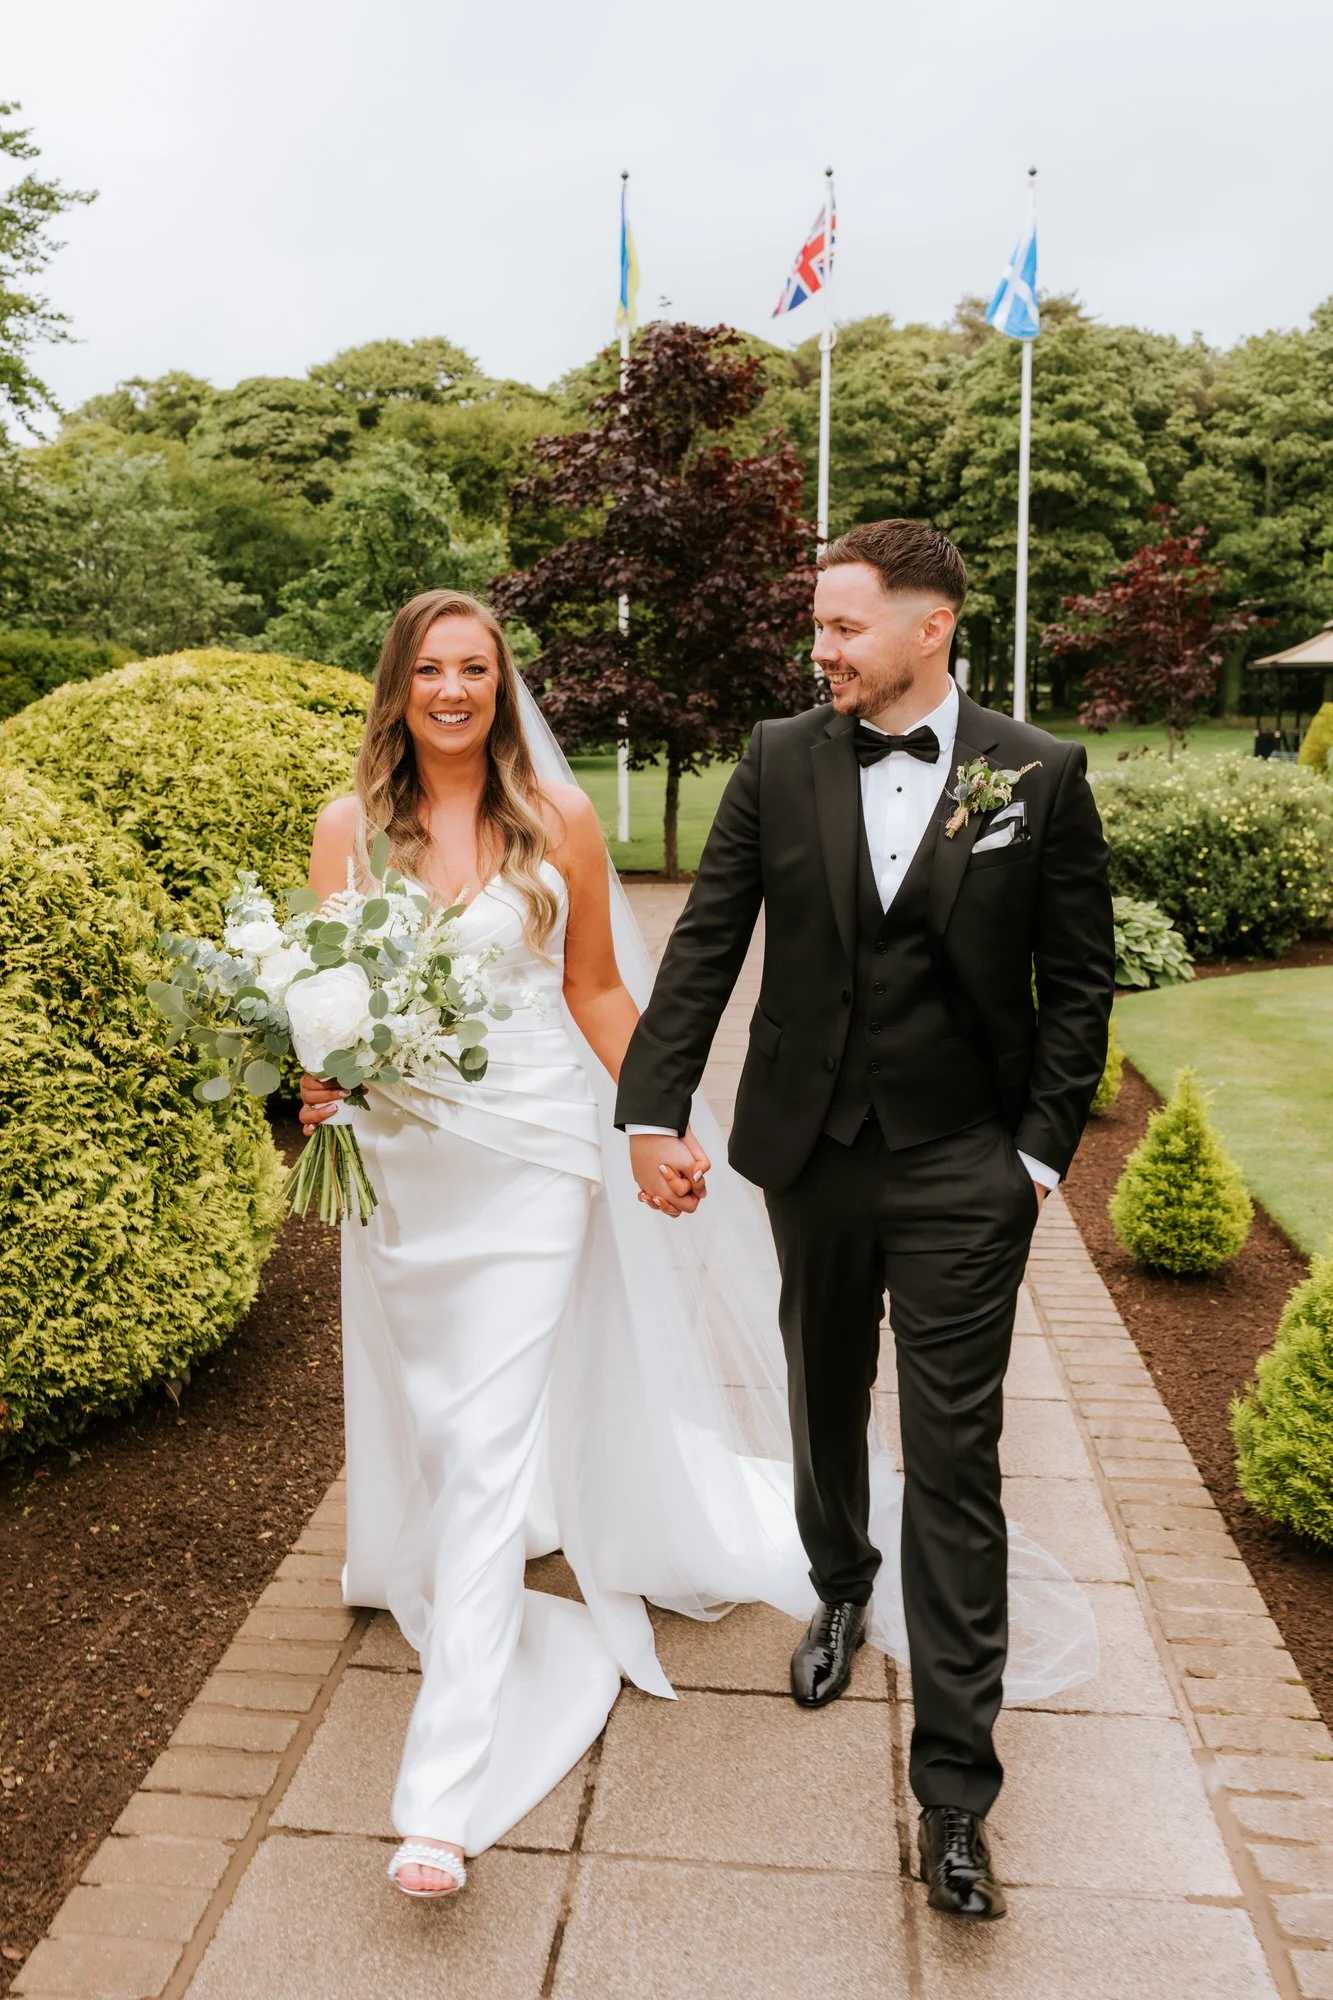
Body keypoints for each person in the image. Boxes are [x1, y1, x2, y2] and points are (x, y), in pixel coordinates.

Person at [303, 580, 1099, 1910]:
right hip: (409, 1168)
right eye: (431, 669)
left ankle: (445, 1796)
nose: (453, 691)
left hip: (543, 1163)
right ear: (398, 683)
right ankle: (474, 1559)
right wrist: (315, 1080)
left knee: (495, 1445)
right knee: (449, 1425)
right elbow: (329, 997)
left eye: (477, 670)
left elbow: (603, 988)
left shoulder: (554, 820)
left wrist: (652, 1122)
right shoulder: (350, 832)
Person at [616, 519, 1116, 1920]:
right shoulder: (778, 761)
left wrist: (1035, 1160)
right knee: (821, 1389)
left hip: (968, 1166)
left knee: (958, 1460)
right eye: (819, 627)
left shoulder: (1037, 774)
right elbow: (708, 940)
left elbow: (1080, 985)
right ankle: (839, 1578)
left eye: (843, 626)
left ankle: (955, 1794)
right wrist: (653, 1112)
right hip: (815, 1152)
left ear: (928, 627)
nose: (819, 648)